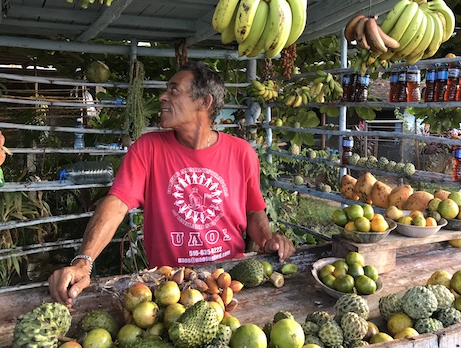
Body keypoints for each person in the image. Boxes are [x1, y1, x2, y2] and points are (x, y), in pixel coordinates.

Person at [49, 61, 295, 307]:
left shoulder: (241, 153)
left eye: (174, 90)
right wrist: (84, 261)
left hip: (227, 284)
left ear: (204, 102)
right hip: (168, 288)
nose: (162, 97)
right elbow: (117, 204)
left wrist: (267, 240)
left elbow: (254, 211)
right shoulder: (147, 149)